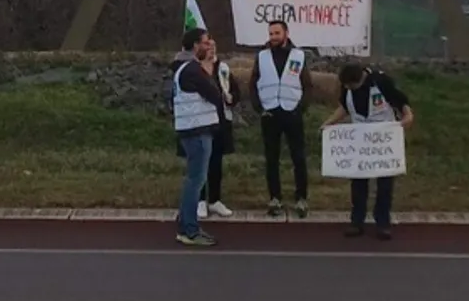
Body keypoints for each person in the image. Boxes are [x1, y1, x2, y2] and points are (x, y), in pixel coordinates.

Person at [322, 61, 414, 240]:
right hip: (359, 141)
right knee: (357, 183)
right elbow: (345, 108)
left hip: (383, 142)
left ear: (361, 79)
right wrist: (329, 123)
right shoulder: (347, 87)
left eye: (352, 86)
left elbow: (400, 100)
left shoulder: (381, 82)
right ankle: (357, 221)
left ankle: (383, 223)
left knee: (385, 184)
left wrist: (408, 115)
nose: (350, 89)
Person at [249, 20, 312, 218]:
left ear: (286, 33)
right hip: (270, 113)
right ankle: (274, 198)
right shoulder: (262, 56)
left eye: (277, 33)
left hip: (292, 112)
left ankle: (301, 198)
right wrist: (259, 108)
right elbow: (253, 83)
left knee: (298, 157)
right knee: (272, 158)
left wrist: (301, 108)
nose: (273, 37)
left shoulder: (299, 56)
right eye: (271, 33)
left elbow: (308, 85)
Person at [170, 27, 223, 247]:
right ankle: (190, 230)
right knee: (196, 181)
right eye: (205, 42)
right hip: (197, 131)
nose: (209, 45)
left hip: (192, 130)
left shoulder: (183, 68)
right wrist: (209, 68)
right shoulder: (193, 70)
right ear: (195, 46)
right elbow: (214, 93)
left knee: (193, 180)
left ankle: (185, 225)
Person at [176, 37, 239, 221]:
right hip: (200, 124)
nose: (210, 50)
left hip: (221, 121)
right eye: (207, 46)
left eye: (213, 47)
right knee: (200, 164)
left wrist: (231, 98)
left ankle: (215, 199)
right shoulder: (195, 70)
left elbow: (235, 91)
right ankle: (200, 201)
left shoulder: (223, 68)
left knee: (216, 162)